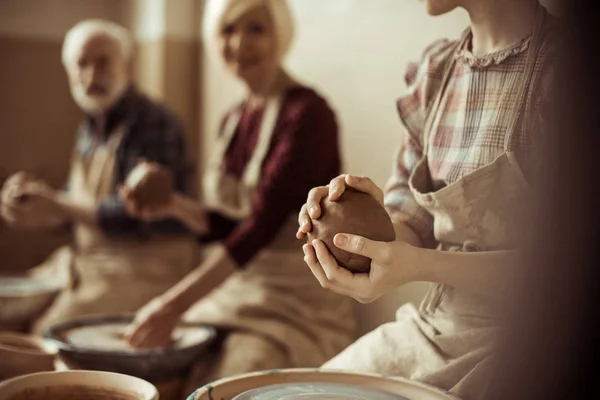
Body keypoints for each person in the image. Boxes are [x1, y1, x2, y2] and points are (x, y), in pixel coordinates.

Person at [296, 1, 558, 399]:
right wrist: (360, 228)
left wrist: (420, 265)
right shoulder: (436, 72)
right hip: (436, 328)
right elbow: (411, 228)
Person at [120, 0, 356, 394]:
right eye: (228, 30)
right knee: (168, 372)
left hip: (297, 298)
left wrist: (171, 305)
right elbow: (233, 225)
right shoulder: (233, 119)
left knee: (228, 383)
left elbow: (261, 229)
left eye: (256, 29)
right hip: (242, 287)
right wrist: (174, 205)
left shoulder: (309, 114)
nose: (239, 43)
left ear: (279, 35)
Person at [0, 19, 198, 335]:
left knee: (48, 332)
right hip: (95, 261)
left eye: (103, 62)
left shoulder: (152, 122)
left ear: (127, 65)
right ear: (69, 72)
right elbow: (75, 202)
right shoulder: (91, 124)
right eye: (82, 63)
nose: (92, 74)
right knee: (10, 307)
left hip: (147, 266)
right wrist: (37, 207)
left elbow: (143, 215)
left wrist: (60, 206)